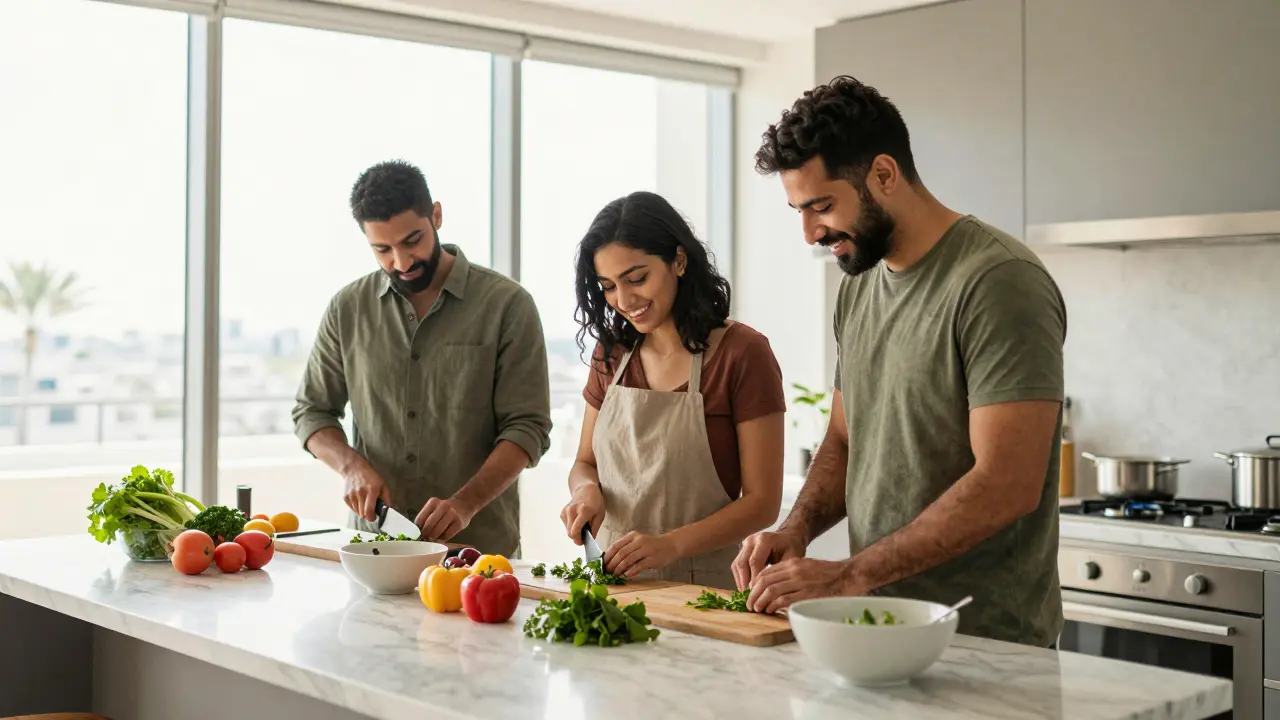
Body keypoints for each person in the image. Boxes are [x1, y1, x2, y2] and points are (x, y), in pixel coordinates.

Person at [735, 76, 1068, 647]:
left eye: (821, 206)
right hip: (879, 631)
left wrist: (848, 574)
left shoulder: (998, 281)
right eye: (799, 209)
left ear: (883, 175)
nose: (811, 232)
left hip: (986, 641)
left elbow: (1007, 484)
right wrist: (796, 529)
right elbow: (844, 439)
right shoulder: (859, 287)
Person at [292, 159, 552, 558]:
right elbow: (311, 413)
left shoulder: (507, 306)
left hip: (477, 554)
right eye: (382, 249)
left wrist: (465, 503)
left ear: (436, 216)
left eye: (412, 240)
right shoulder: (347, 308)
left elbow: (527, 428)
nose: (402, 262)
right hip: (374, 551)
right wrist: (352, 468)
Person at [559, 191, 786, 590]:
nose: (624, 301)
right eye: (608, 286)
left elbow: (762, 503)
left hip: (705, 588)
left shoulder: (743, 353)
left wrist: (671, 546)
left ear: (679, 261)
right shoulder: (612, 353)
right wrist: (587, 492)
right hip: (613, 583)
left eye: (637, 278)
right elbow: (584, 463)